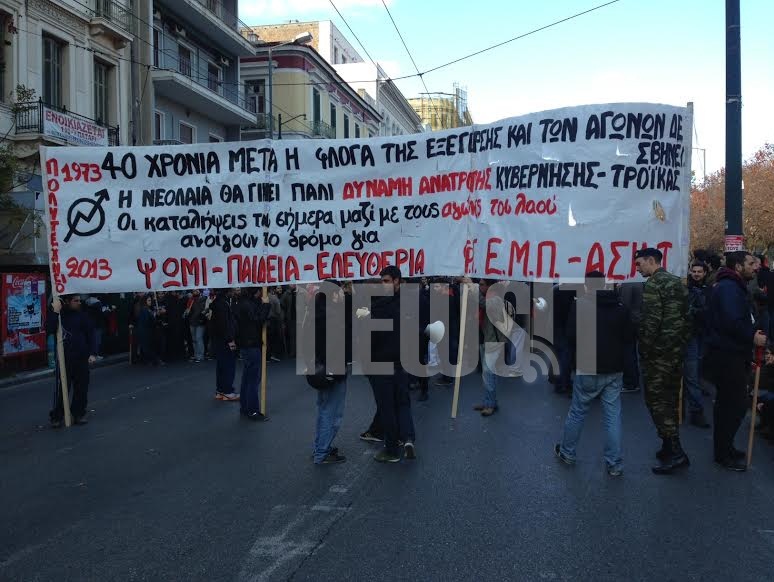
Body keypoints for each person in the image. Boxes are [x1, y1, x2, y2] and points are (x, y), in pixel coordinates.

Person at [555, 272, 634, 476]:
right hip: (614, 367)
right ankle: (614, 463)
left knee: (578, 411)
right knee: (612, 416)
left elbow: (570, 336)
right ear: (605, 285)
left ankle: (567, 452)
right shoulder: (621, 307)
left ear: (586, 286)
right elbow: (629, 338)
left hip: (587, 365)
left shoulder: (580, 305)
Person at [704, 251, 768, 471]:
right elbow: (732, 322)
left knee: (728, 405)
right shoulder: (729, 288)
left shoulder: (732, 286)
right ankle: (723, 453)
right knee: (734, 405)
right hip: (728, 355)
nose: (755, 267)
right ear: (738, 267)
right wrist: (753, 336)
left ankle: (725, 447)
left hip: (730, 353)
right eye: (750, 263)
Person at [635, 247, 691, 475]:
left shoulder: (653, 285)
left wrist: (645, 350)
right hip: (675, 353)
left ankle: (676, 452)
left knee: (657, 402)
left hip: (658, 355)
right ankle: (669, 446)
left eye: (639, 264)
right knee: (670, 400)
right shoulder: (677, 283)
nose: (637, 269)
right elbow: (688, 318)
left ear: (651, 260)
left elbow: (651, 323)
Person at [365, 266, 416, 463]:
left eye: (386, 281)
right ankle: (408, 438)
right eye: (381, 281)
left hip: (382, 362)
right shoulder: (408, 302)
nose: (382, 285)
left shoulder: (380, 305)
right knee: (402, 403)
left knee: (387, 407)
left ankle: (392, 450)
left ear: (397, 281)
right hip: (401, 361)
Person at [311, 282, 350, 464]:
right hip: (333, 370)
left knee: (323, 409)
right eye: (340, 291)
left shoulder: (317, 313)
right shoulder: (333, 317)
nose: (342, 294)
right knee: (332, 413)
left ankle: (320, 446)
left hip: (320, 369)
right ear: (333, 295)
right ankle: (322, 452)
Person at [48, 295, 97, 427]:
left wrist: (92, 353)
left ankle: (78, 413)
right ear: (67, 302)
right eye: (76, 301)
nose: (79, 303)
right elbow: (50, 329)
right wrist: (55, 312)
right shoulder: (59, 315)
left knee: (81, 388)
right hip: (64, 358)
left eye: (79, 300)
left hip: (81, 357)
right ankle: (57, 416)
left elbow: (90, 334)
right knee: (62, 389)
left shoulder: (82, 316)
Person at [473, 279, 512, 416]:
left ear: (490, 286)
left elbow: (482, 303)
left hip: (493, 342)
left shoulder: (495, 299)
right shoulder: (491, 297)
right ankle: (489, 401)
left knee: (489, 374)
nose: (480, 287)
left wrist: (470, 286)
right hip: (488, 339)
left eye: (482, 284)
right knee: (488, 374)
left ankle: (489, 404)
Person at [235, 287, 270, 421]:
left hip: (246, 344)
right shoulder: (247, 305)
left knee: (247, 377)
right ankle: (253, 410)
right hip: (251, 343)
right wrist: (266, 306)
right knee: (253, 379)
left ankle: (245, 407)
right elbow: (257, 320)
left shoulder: (242, 303)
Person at [683, 261, 711, 428]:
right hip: (691, 336)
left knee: (696, 373)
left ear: (705, 273)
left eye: (699, 271)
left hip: (703, 335)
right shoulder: (686, 289)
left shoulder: (710, 290)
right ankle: (696, 411)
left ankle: (694, 408)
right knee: (692, 375)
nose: (696, 274)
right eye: (694, 271)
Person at [210, 288, 239, 401]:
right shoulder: (223, 304)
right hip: (225, 340)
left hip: (219, 339)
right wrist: (230, 339)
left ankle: (220, 390)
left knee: (221, 365)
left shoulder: (218, 303)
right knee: (228, 365)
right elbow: (225, 324)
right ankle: (227, 391)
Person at [618, 281, 644, 393]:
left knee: (628, 352)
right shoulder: (640, 282)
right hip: (641, 319)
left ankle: (631, 383)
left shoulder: (628, 283)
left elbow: (625, 303)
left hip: (631, 320)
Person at [186, 289, 207, 363]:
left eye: (196, 290)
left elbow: (205, 309)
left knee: (198, 338)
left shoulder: (204, 299)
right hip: (192, 322)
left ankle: (200, 356)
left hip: (200, 322)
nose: (195, 292)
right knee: (194, 340)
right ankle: (196, 355)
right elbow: (188, 310)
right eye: (194, 291)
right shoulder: (190, 300)